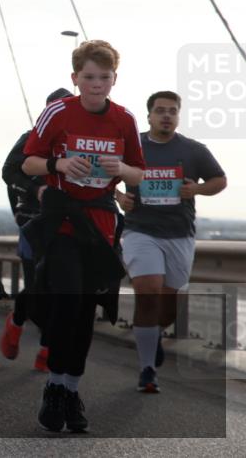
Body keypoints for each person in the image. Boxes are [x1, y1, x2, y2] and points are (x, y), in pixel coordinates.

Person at [21, 39, 144, 433]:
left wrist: (121, 168)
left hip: (101, 228)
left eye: (103, 78)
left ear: (114, 79)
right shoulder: (58, 112)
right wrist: (58, 162)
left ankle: (70, 390)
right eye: (88, 77)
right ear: (75, 78)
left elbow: (141, 175)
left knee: (86, 311)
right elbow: (27, 163)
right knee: (68, 300)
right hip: (62, 223)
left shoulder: (124, 120)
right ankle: (54, 386)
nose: (96, 84)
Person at [116, 91, 226, 393]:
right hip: (140, 231)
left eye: (172, 111)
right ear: (149, 115)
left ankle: (152, 336)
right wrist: (120, 197)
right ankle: (147, 369)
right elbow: (106, 174)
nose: (167, 116)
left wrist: (198, 190)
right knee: (148, 293)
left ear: (178, 116)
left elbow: (220, 180)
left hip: (179, 234)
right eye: (160, 111)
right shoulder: (132, 145)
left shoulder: (193, 150)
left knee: (167, 308)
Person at [0, 88, 72, 370]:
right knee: (38, 288)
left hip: (67, 222)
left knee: (62, 289)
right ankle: (17, 320)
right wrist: (36, 188)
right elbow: (8, 172)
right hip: (33, 221)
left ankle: (47, 349)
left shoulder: (80, 142)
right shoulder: (30, 138)